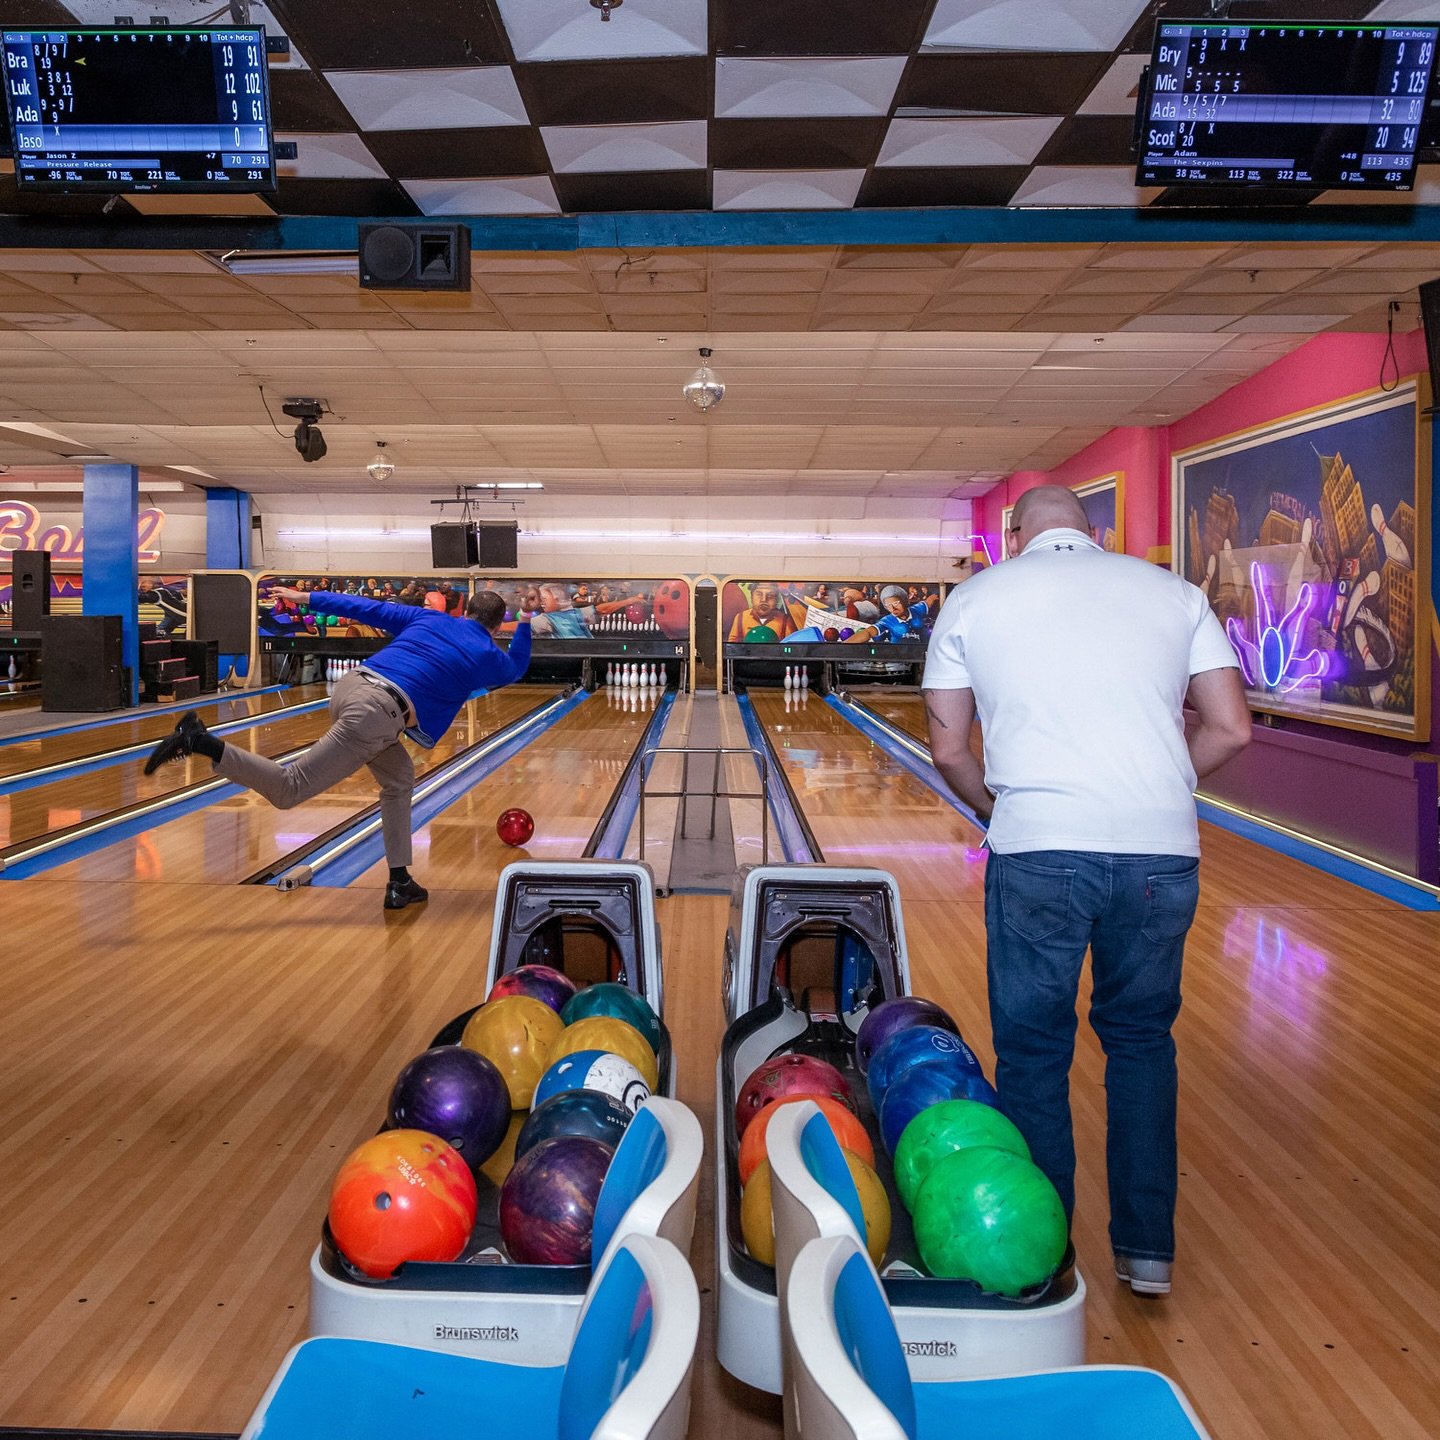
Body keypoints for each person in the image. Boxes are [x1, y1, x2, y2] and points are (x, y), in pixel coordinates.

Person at [922, 485, 1252, 1298]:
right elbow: (1231, 726)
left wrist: (998, 806)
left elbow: (948, 744)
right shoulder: (1175, 593)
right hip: (1160, 854)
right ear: (1094, 531)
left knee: (1034, 1057)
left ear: (1012, 532)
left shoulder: (975, 596)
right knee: (1142, 1043)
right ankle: (1146, 1255)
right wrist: (1165, 786)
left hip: (1038, 851)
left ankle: (1044, 1257)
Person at [143, 589, 532, 913]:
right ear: (496, 626)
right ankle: (201, 740)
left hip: (353, 686)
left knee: (399, 779)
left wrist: (303, 596)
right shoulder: (488, 654)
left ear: (464, 611)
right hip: (377, 713)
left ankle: (400, 882)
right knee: (289, 788)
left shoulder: (429, 618)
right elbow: (516, 666)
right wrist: (527, 623)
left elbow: (365, 607)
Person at [726, 582, 797, 643]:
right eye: (759, 594)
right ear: (752, 597)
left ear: (776, 600)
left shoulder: (785, 620)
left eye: (770, 595)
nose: (764, 599)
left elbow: (791, 646)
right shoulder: (741, 617)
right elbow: (732, 644)